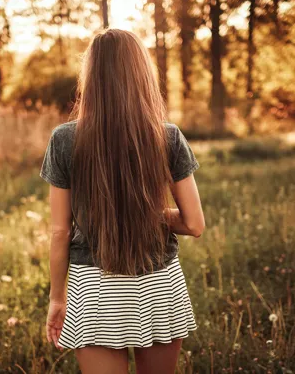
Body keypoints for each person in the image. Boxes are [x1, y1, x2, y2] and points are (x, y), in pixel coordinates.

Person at [40, 28, 205, 374]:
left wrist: (57, 299)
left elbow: (59, 232)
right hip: (158, 282)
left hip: (92, 290)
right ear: (142, 74)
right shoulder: (168, 136)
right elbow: (194, 224)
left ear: (91, 78)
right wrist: (148, 215)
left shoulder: (64, 140)